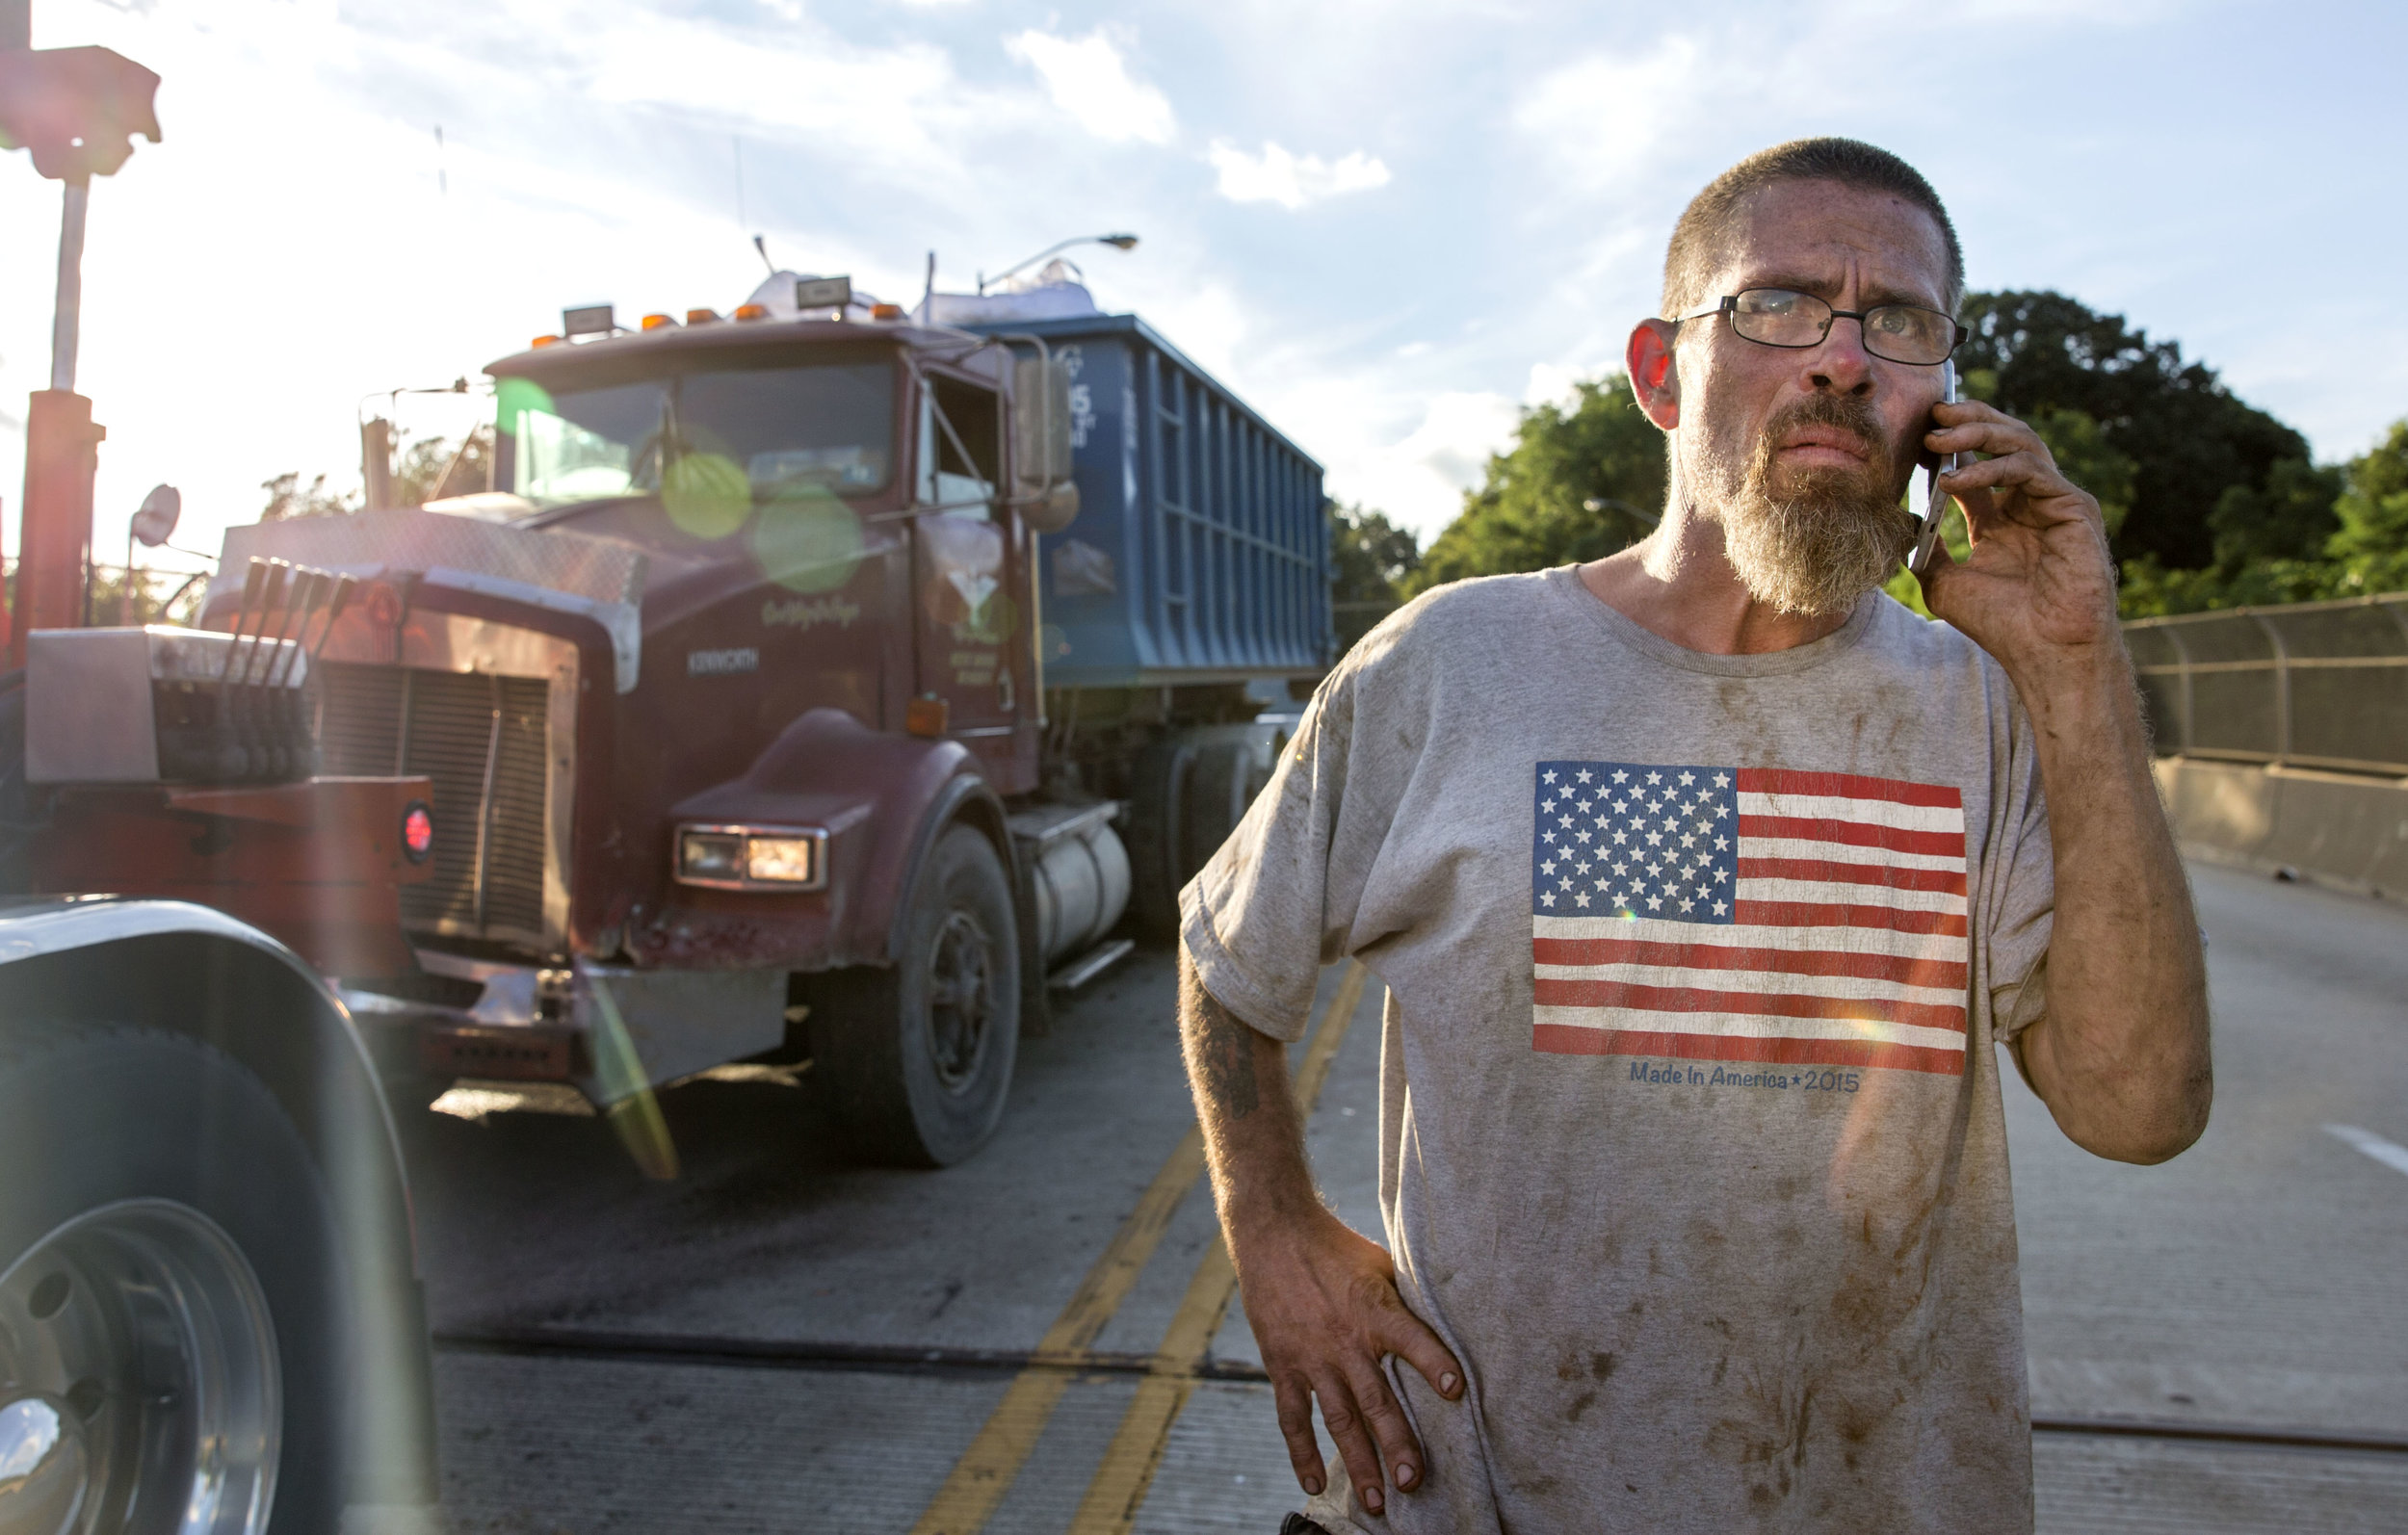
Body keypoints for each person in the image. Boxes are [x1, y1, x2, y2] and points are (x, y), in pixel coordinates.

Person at [1177, 137, 2212, 1533]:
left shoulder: (1988, 706)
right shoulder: (1450, 663)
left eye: (1897, 321)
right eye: (1778, 303)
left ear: (1941, 402)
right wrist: (1271, 1223)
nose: (1842, 357)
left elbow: (2139, 1109)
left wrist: (2079, 666)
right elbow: (1226, 956)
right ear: (1663, 375)